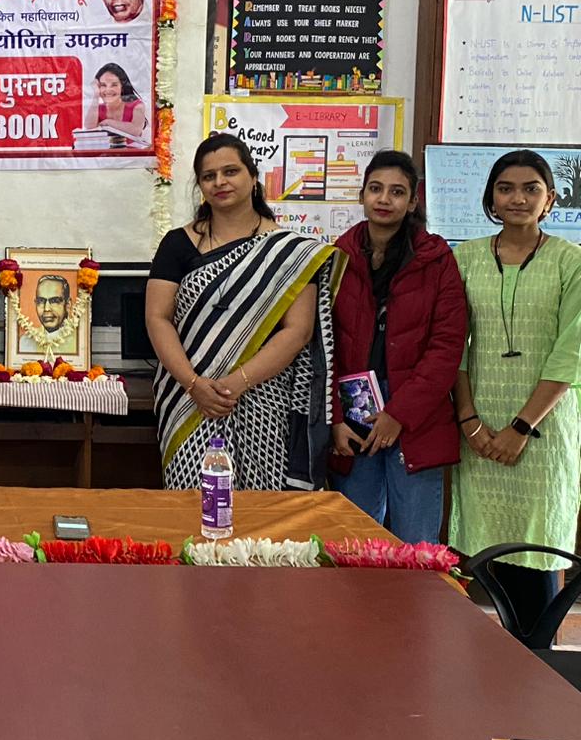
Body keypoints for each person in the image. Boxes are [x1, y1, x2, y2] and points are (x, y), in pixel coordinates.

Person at [146, 133, 343, 490]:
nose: (220, 182)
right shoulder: (177, 244)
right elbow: (158, 317)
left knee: (261, 513)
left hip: (264, 398)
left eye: (231, 171)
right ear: (200, 187)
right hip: (189, 399)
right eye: (209, 176)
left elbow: (298, 331)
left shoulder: (291, 253)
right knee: (194, 504)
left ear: (253, 177)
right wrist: (194, 384)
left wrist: (235, 384)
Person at [451, 149, 581, 634]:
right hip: (480, 429)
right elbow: (453, 345)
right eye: (505, 188)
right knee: (488, 555)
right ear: (491, 198)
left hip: (543, 431)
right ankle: (496, 665)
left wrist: (522, 428)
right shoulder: (464, 258)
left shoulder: (571, 261)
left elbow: (571, 352)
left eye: (531, 189)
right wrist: (469, 421)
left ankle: (538, 659)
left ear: (550, 200)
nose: (518, 198)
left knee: (539, 550)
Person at [328, 151, 467, 543]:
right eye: (376, 189)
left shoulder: (437, 260)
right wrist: (335, 417)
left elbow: (446, 346)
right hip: (355, 411)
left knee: (416, 544)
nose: (384, 199)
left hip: (417, 414)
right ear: (362, 195)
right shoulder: (338, 256)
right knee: (355, 543)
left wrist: (398, 414)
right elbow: (325, 343)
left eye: (397, 191)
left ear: (412, 202)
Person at [82, 62, 149, 144]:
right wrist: (96, 95)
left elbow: (136, 130)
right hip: (106, 151)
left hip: (131, 151)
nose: (108, 90)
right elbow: (89, 127)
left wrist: (108, 122)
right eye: (103, 85)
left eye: (114, 85)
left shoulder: (137, 106)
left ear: (122, 87)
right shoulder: (98, 108)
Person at [18, 274, 78, 354]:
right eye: (41, 301)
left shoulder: (79, 341)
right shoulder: (26, 343)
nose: (46, 309)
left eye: (54, 301)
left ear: (68, 304)